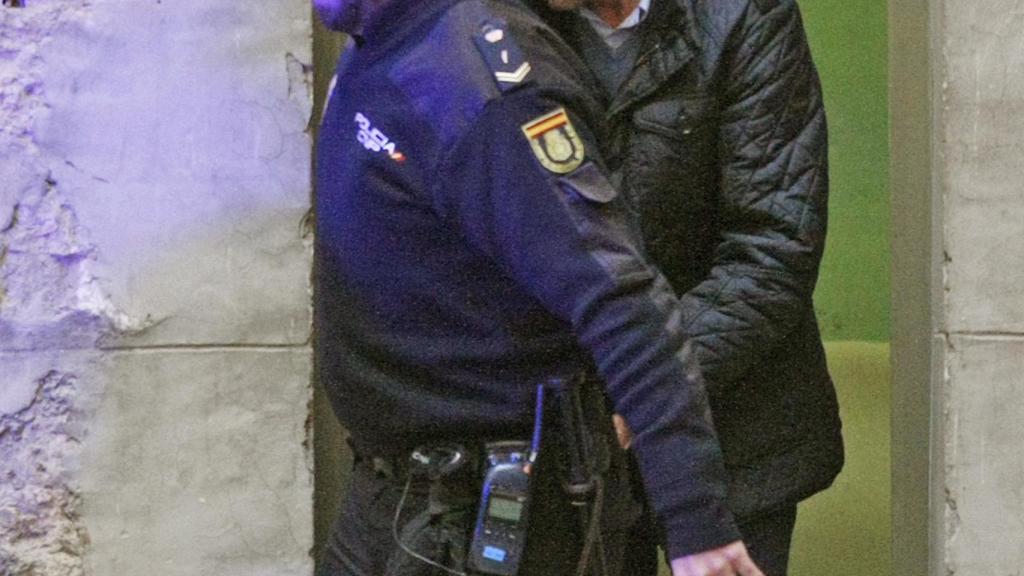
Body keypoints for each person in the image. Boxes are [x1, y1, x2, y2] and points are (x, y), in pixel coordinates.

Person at [312, 0, 767, 574]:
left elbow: (619, 296)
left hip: (487, 508)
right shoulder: (383, 39)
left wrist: (698, 526)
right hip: (394, 490)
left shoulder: (477, 79)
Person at [531, 0, 845, 574]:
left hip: (734, 422)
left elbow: (773, 246)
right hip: (575, 431)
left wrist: (647, 387)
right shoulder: (505, 24)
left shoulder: (743, 13)